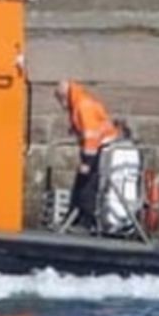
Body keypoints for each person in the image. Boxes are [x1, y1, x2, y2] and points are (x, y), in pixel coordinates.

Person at [55, 80, 120, 230]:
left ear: (64, 97)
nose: (61, 106)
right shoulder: (80, 101)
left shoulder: (82, 105)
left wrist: (87, 162)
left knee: (87, 185)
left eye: (60, 100)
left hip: (101, 147)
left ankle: (85, 222)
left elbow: (91, 135)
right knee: (84, 183)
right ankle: (75, 219)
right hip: (101, 146)